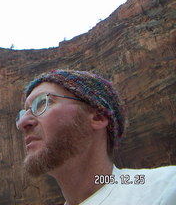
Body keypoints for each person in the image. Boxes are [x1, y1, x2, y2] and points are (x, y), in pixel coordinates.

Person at [15, 69, 176, 205]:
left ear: (97, 118)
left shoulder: (166, 188)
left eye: (42, 103)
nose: (22, 123)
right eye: (23, 113)